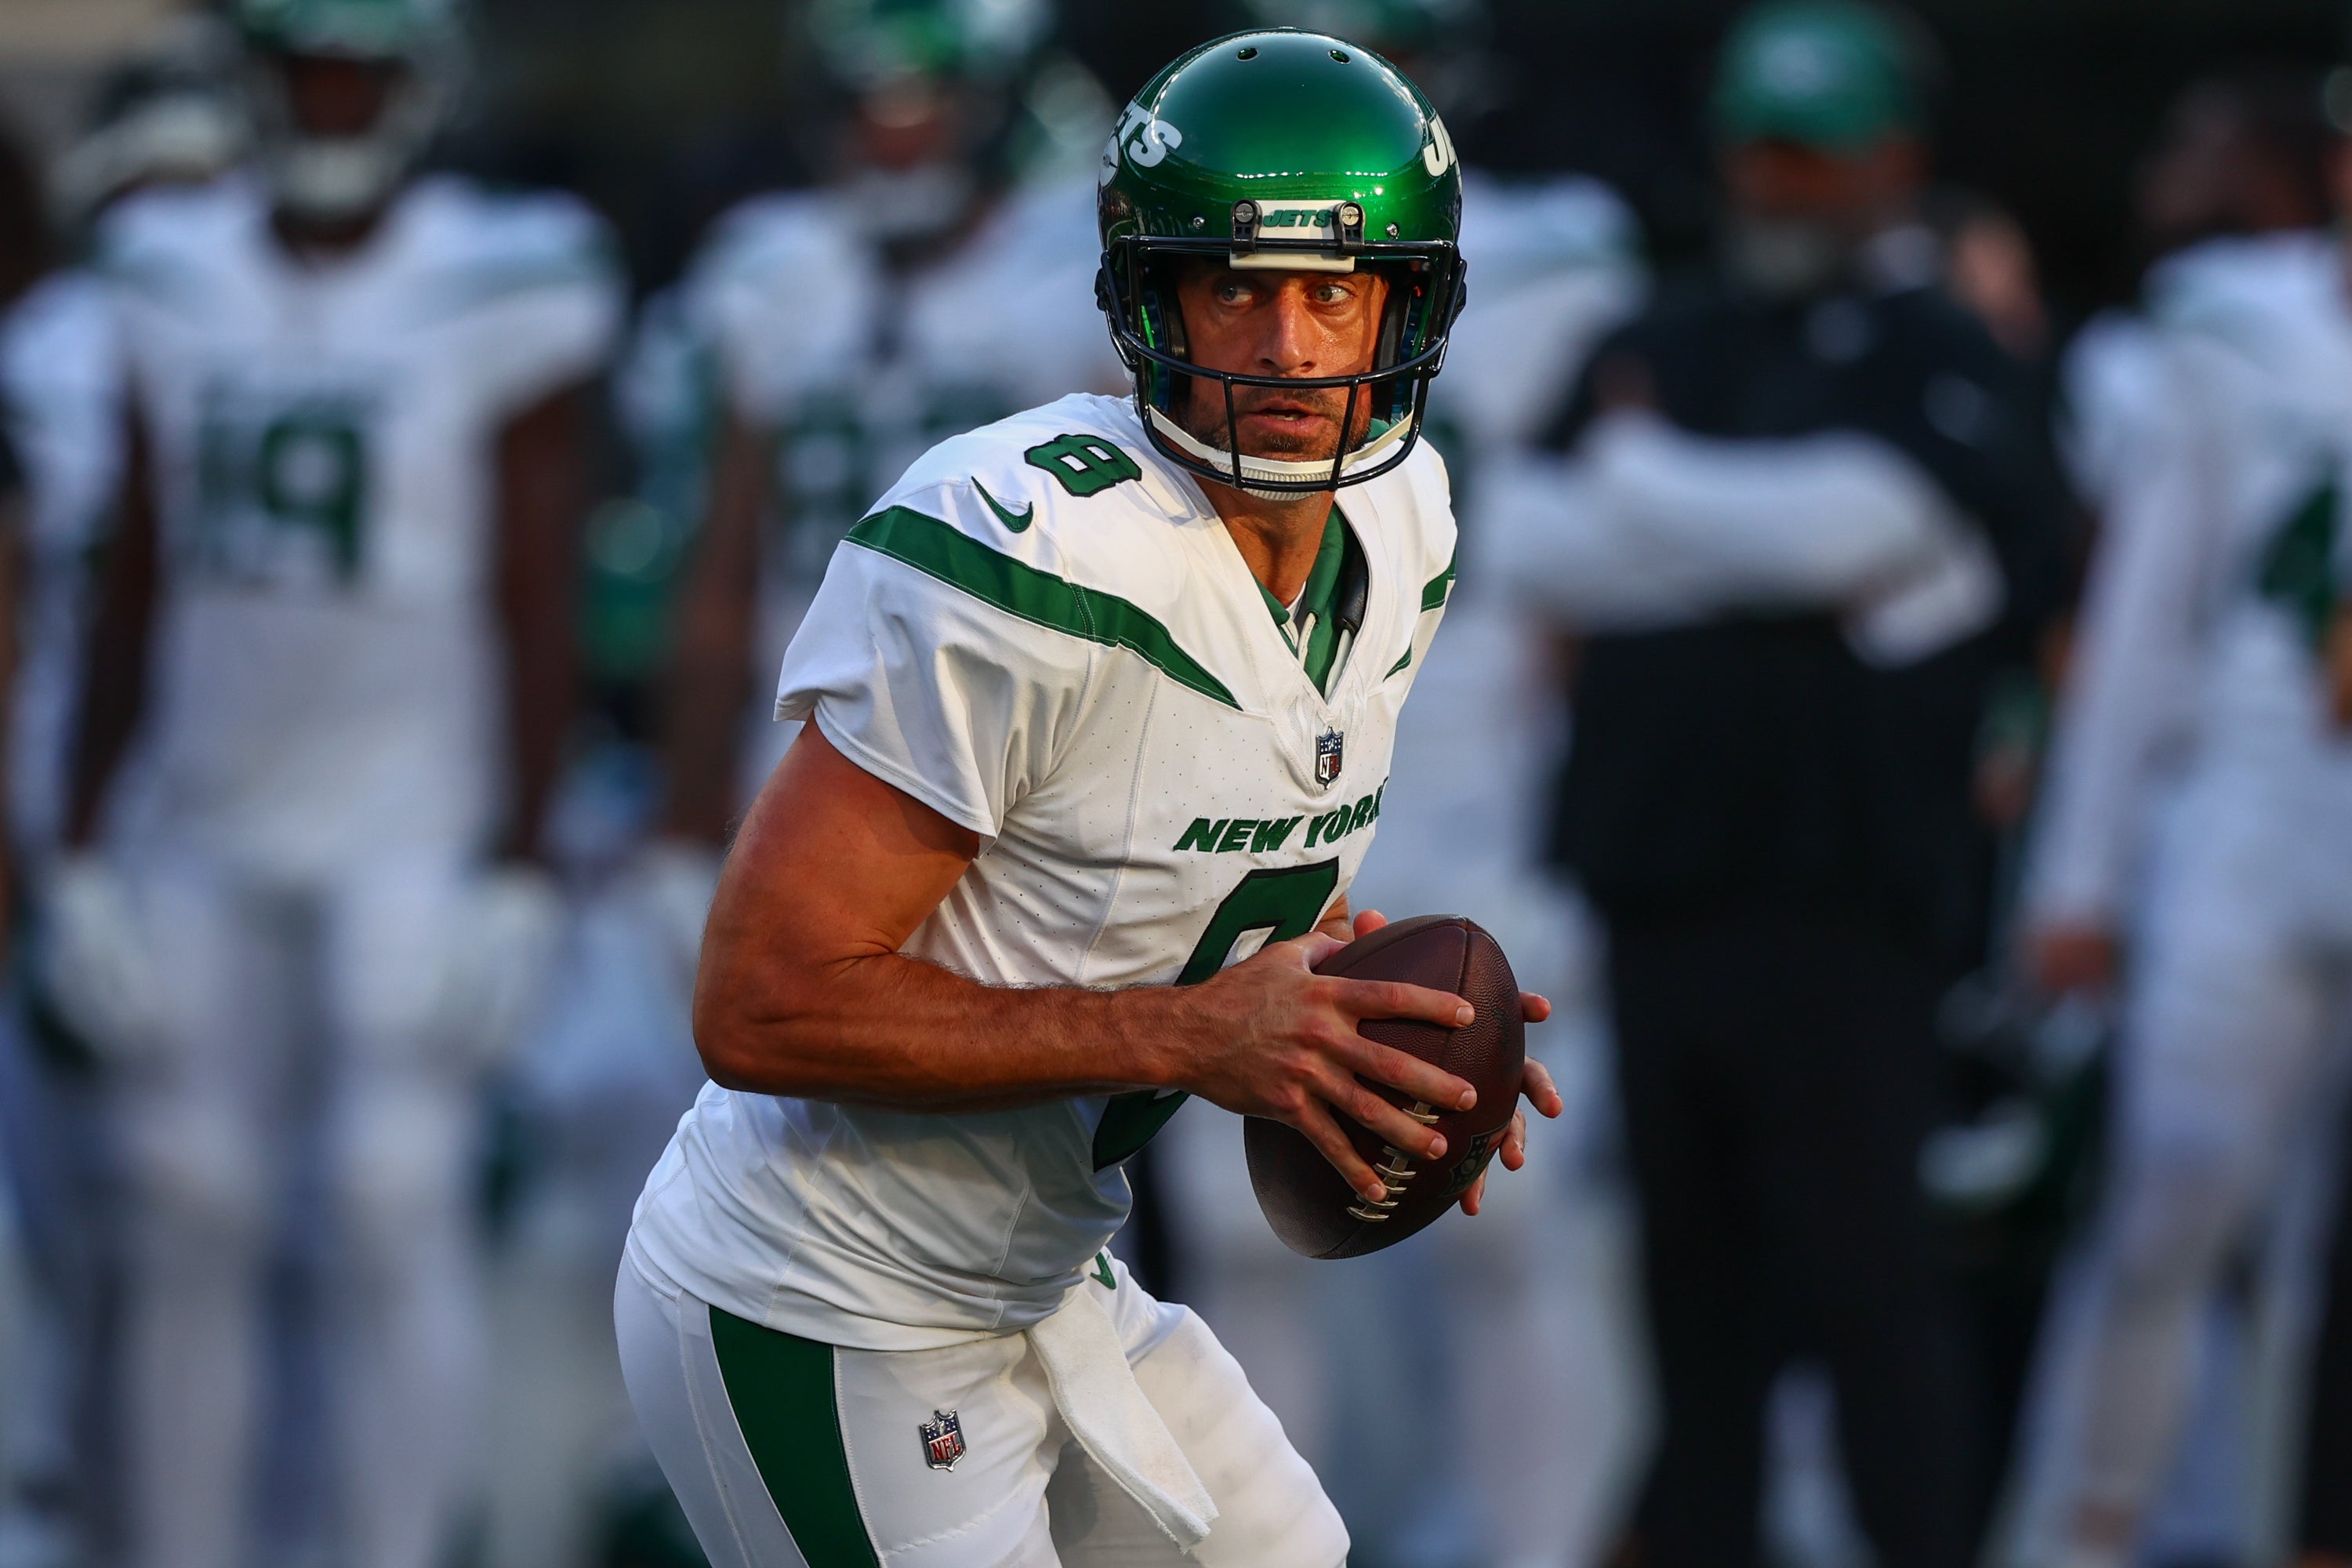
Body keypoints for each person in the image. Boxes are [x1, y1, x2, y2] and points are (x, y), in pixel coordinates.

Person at [616, 29, 1561, 1566]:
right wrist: (1192, 1037)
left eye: (1336, 291)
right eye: (1235, 287)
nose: (1290, 345)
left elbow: (1196, 853)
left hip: (1044, 1265)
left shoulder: (1408, 522)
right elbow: (761, 1003)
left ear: (1413, 303)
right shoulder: (1031, 548)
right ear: (1147, 300)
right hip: (828, 1292)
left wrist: (1362, 1021)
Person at [1479, 5, 2067, 1566]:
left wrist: (1650, 489)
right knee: (1691, 1305)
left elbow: (1862, 527)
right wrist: (1775, 553)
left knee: (1873, 1287)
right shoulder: (1663, 329)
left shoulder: (1945, 343)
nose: (1781, 184)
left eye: (1814, 153)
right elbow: (1530, 543)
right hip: (1661, 888)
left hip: (1854, 904)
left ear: (1894, 160)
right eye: (1761, 149)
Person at [46, 2, 626, 1565]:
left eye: (359, 65)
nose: (332, 94)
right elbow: (139, 569)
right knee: (181, 1202)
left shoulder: (504, 273)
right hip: (201, 802)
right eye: (309, 64)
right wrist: (81, 833)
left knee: (389, 1198)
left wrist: (518, 852)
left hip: (409, 806)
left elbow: (535, 581)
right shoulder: (171, 267)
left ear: (419, 83)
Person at [1142, 7, 1653, 1566]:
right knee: (1246, 1223)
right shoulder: (1182, 255)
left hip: (1474, 783)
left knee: (1511, 1227)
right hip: (1248, 797)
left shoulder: (1566, 256)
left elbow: (1595, 539)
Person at [2005, 60, 2352, 1568]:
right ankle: (2089, 1531)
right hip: (2251, 795)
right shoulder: (2233, 323)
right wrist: (2076, 874)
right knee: (2176, 1189)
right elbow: (2143, 614)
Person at [0, 25, 249, 1559]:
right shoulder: (53, 353)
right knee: (97, 1208)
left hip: (189, 819)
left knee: (190, 1213)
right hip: (85, 818)